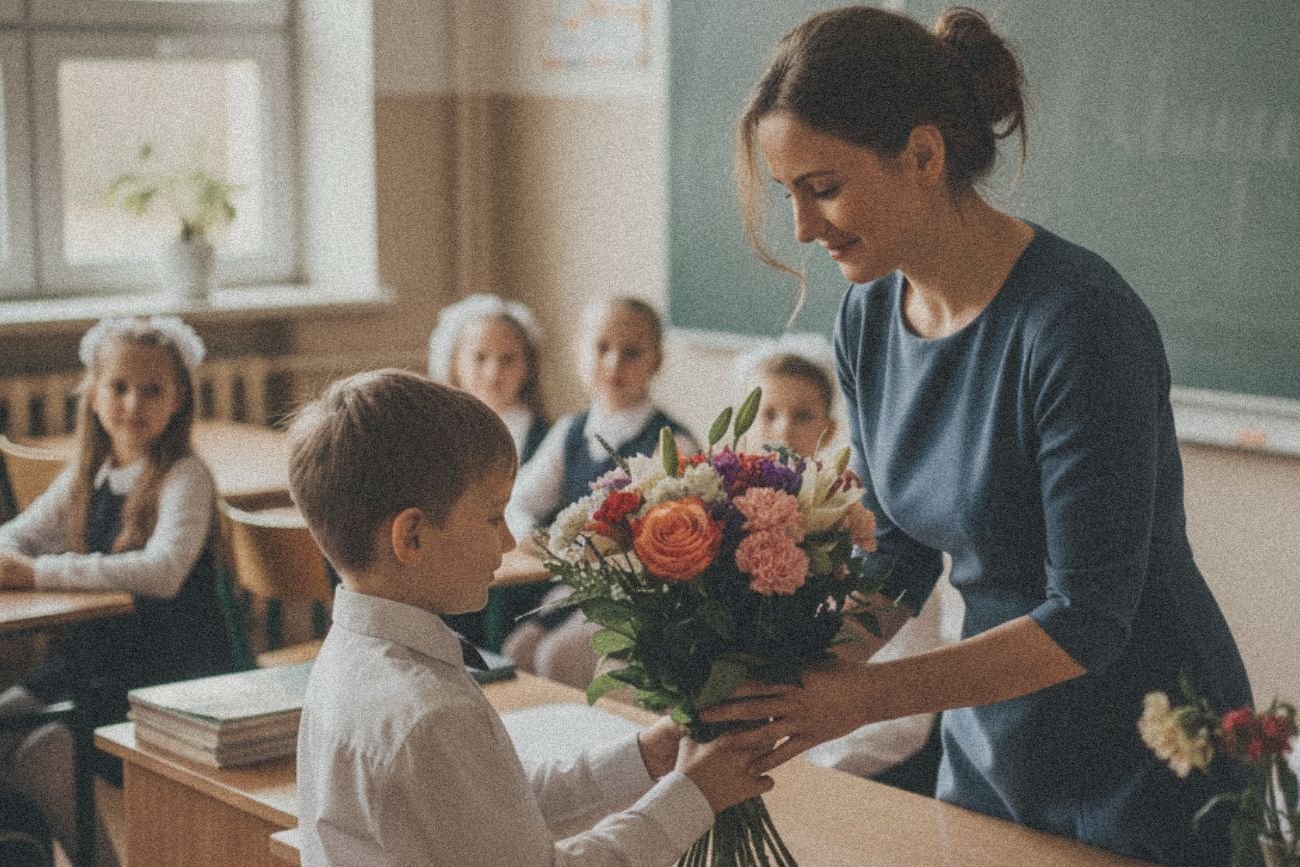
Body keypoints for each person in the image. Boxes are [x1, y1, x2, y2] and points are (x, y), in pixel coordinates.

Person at [701, 7, 1253, 865]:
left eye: (824, 186)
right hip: (996, 744)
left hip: (1147, 749)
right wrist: (782, 689)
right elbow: (897, 551)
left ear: (924, 156)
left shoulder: (1078, 321)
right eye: (789, 196)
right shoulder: (869, 313)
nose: (805, 229)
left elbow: (1087, 620)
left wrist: (854, 698)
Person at [288, 369, 775, 866]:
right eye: (491, 517)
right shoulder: (427, 714)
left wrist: (643, 759)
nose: (507, 542)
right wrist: (693, 798)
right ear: (411, 537)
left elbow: (493, 816)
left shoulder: (350, 658)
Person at [0, 315, 235, 865]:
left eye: (152, 390)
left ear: (179, 398)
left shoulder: (184, 476)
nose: (133, 404)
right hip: (94, 660)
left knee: (41, 752)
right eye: (120, 387)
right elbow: (23, 533)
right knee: (5, 720)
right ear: (94, 394)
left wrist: (37, 574)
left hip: (167, 669)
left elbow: (162, 571)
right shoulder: (91, 473)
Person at [503, 296, 697, 680]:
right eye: (602, 348)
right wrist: (531, 534)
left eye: (631, 352)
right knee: (516, 651)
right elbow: (518, 501)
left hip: (640, 597)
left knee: (556, 658)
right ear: (579, 351)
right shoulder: (571, 432)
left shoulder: (671, 443)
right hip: (580, 589)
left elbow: (666, 546)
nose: (613, 364)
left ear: (655, 361)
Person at [429, 292, 551, 648]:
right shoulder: (438, 437)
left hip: (516, 586)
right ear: (454, 362)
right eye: (480, 358)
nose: (493, 372)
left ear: (527, 366)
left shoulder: (546, 439)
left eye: (507, 359)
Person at [732, 332, 841, 458]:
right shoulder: (717, 476)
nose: (784, 430)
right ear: (742, 426)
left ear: (828, 432)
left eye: (802, 416)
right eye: (769, 415)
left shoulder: (839, 477)